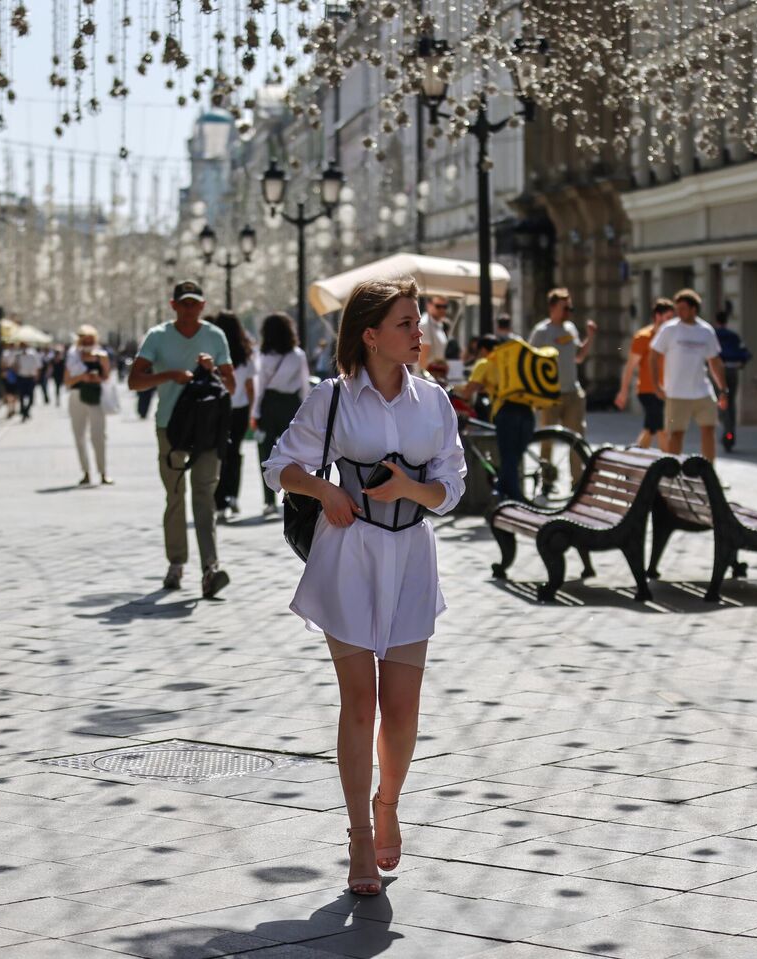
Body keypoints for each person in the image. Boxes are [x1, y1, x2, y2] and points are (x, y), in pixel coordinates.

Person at [262, 276, 467, 897]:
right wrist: (325, 489)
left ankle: (388, 804)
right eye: (406, 322)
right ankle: (356, 837)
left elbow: (452, 489)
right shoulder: (332, 398)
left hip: (411, 559)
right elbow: (279, 465)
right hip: (349, 557)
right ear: (370, 335)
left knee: (402, 707)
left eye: (419, 322)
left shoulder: (433, 401)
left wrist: (411, 488)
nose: (419, 332)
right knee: (360, 703)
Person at [127, 281, 235, 598]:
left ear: (203, 306)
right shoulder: (158, 336)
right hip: (171, 427)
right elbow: (134, 380)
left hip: (206, 427)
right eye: (184, 304)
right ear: (173, 306)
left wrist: (211, 369)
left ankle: (210, 569)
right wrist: (169, 375)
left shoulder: (215, 336)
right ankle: (176, 564)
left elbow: (231, 383)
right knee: (175, 495)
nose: (189, 309)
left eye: (195, 304)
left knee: (204, 495)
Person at [648, 289, 730, 460]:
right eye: (677, 308)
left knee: (709, 430)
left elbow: (714, 362)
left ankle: (709, 473)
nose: (679, 312)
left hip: (702, 391)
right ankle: (672, 474)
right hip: (676, 393)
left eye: (683, 308)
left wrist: (723, 389)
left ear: (694, 309)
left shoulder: (706, 331)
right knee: (676, 434)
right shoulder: (669, 329)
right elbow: (653, 357)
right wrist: (656, 385)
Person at [453, 334, 534, 500]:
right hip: (527, 410)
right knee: (513, 460)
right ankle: (503, 496)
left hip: (507, 413)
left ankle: (514, 499)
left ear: (483, 350)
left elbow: (468, 392)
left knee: (508, 459)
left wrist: (453, 391)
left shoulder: (485, 363)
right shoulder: (509, 363)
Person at [530, 288, 596, 479]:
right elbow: (530, 361)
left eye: (570, 308)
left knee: (576, 439)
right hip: (550, 395)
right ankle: (547, 479)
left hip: (572, 392)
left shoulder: (570, 328)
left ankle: (577, 481)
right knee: (547, 439)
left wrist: (590, 337)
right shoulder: (541, 331)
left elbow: (579, 357)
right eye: (565, 308)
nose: (569, 312)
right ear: (552, 307)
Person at [253, 312, 311, 517]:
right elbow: (304, 385)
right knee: (293, 452)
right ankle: (295, 493)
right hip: (291, 404)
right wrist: (307, 412)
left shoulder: (264, 356)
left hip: (268, 404)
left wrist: (255, 412)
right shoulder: (297, 354)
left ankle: (269, 500)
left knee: (265, 452)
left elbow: (259, 387)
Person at [212, 311, 256, 522]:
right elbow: (249, 387)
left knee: (219, 454)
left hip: (217, 408)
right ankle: (233, 496)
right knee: (235, 453)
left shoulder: (214, 352)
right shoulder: (245, 353)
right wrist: (251, 411)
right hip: (240, 409)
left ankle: (219, 501)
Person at [614, 297, 673, 449]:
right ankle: (669, 466)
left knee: (652, 429)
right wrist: (623, 391)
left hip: (665, 391)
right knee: (661, 430)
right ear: (657, 316)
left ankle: (634, 456)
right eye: (668, 318)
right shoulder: (643, 337)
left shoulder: (671, 337)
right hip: (648, 391)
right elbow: (630, 366)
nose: (671, 322)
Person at [66, 325, 114, 487]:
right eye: (84, 340)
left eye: (90, 340)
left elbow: (106, 377)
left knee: (99, 436)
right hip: (77, 396)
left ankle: (103, 472)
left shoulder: (102, 356)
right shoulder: (73, 357)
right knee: (79, 435)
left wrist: (96, 378)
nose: (87, 343)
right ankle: (85, 471)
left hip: (96, 397)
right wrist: (82, 377)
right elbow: (67, 381)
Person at [714, 311, 752, 447]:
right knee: (731, 402)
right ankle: (730, 434)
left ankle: (727, 431)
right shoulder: (733, 336)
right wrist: (740, 364)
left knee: (721, 401)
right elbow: (746, 353)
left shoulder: (713, 335)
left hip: (718, 370)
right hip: (733, 370)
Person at [417, 295, 450, 370]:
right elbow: (422, 357)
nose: (442, 309)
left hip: (436, 374)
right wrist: (427, 378)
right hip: (427, 376)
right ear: (429, 305)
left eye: (445, 307)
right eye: (438, 306)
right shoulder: (425, 324)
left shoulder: (439, 324)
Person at [13, 342, 42, 421]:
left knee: (31, 397)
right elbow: (15, 367)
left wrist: (37, 377)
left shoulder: (33, 355)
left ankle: (26, 410)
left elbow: (38, 366)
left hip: (30, 378)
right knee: (22, 396)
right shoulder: (18, 356)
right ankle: (23, 411)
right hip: (21, 377)